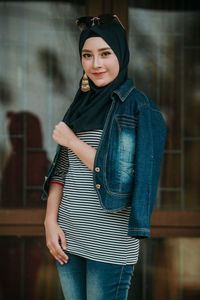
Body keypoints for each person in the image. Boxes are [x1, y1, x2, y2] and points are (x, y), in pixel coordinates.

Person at [42, 14, 167, 300]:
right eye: (87, 55)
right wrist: (50, 222)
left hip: (110, 244)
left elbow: (124, 177)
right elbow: (61, 171)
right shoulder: (79, 105)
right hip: (69, 238)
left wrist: (72, 141)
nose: (96, 64)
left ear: (121, 54)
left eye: (105, 54)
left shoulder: (140, 110)